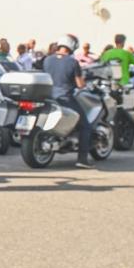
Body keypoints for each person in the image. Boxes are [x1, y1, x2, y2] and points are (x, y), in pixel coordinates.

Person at [42, 34, 92, 168]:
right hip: (65, 98)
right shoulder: (72, 62)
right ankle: (82, 159)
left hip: (48, 98)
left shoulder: (47, 60)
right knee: (85, 126)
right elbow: (80, 84)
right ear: (73, 46)